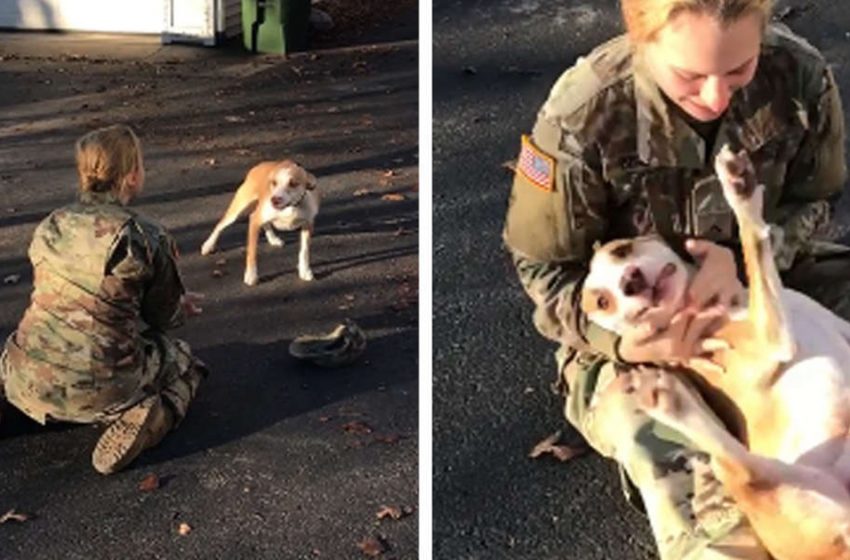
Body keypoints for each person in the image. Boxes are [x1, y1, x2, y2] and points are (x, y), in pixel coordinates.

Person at [503, 1, 850, 558]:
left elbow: (818, 196)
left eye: (740, 70)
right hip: (633, 335)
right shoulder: (583, 113)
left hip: (776, 276)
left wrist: (740, 263)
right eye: (689, 76)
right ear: (640, 40)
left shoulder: (799, 74)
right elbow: (542, 268)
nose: (717, 97)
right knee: (656, 431)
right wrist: (624, 341)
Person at [0, 124, 208, 475]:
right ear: (130, 176)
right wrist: (180, 305)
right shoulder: (144, 235)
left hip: (25, 370)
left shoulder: (52, 223)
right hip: (104, 385)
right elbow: (162, 318)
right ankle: (152, 415)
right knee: (186, 362)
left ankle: (17, 398)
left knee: (23, 353)